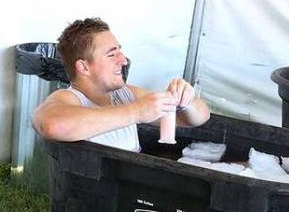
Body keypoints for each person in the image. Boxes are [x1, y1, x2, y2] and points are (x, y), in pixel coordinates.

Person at [32, 18, 210, 151]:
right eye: (112, 55)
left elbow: (199, 118)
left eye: (120, 51)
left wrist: (187, 100)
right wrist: (136, 112)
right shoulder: (69, 98)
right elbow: (53, 126)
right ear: (84, 67)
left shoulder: (126, 94)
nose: (123, 60)